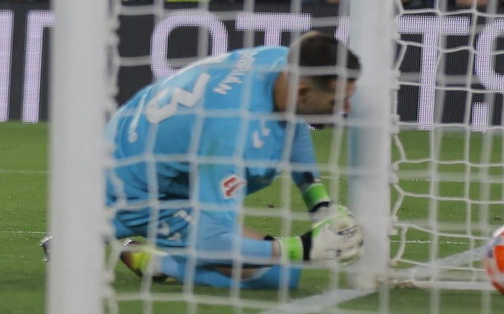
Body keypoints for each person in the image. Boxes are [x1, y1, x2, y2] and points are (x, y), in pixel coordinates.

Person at [106, 33, 365, 290]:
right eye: (337, 101)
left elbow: (292, 121)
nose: (346, 109)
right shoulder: (233, 133)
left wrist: (319, 204)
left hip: (126, 137)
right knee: (276, 274)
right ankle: (156, 263)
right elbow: (212, 242)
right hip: (133, 192)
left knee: (269, 258)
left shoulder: (280, 63)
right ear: (304, 92)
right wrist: (304, 249)